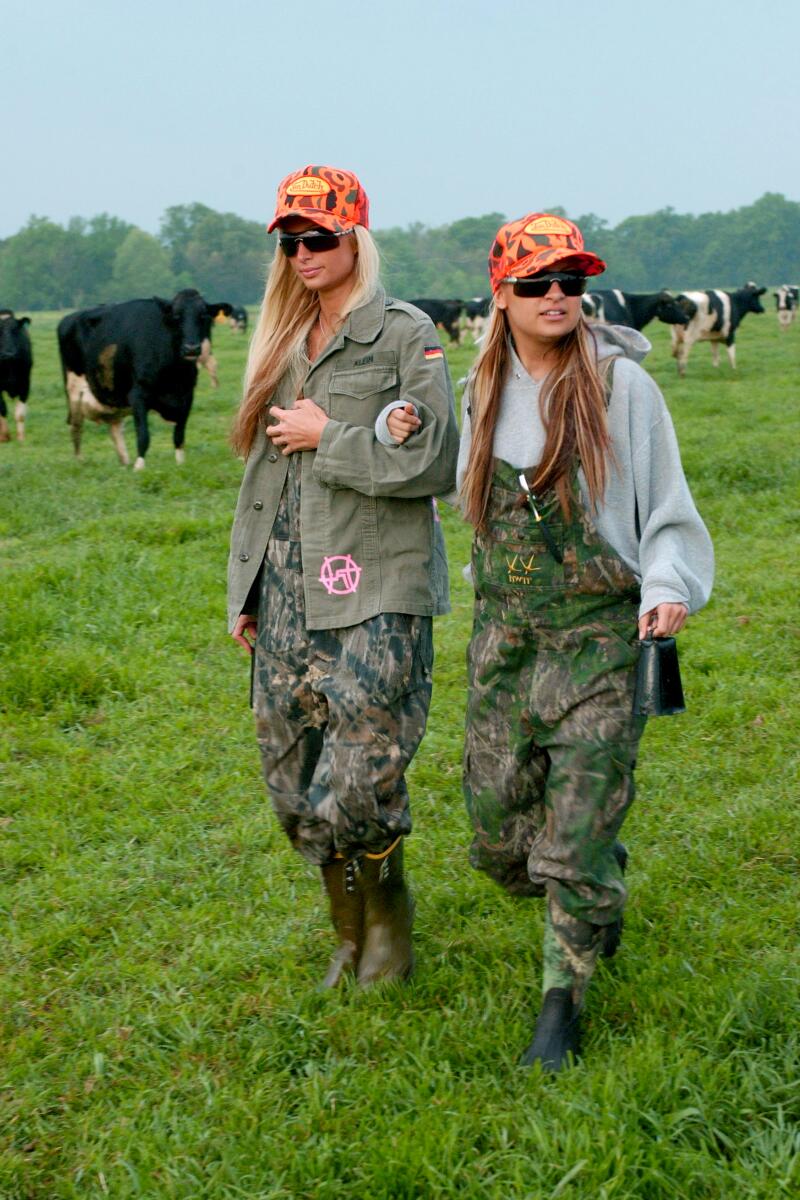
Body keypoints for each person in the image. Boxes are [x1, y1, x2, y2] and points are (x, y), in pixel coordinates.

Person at [386, 212, 713, 1070]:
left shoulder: (620, 387)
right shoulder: (480, 385)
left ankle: (559, 1009)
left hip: (602, 636)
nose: (557, 295)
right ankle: (595, 868)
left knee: (568, 848)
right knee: (499, 842)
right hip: (505, 640)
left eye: (571, 281)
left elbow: (670, 510)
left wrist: (668, 587)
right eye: (536, 283)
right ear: (502, 296)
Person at [228, 165, 459, 989]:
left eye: (319, 237)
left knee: (360, 775)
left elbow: (432, 459)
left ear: (355, 237)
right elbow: (259, 479)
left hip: (373, 587)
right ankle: (346, 936)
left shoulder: (404, 334)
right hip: (286, 588)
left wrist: (331, 434)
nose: (302, 254)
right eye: (291, 241)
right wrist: (246, 588)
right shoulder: (281, 342)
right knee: (292, 781)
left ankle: (388, 925)